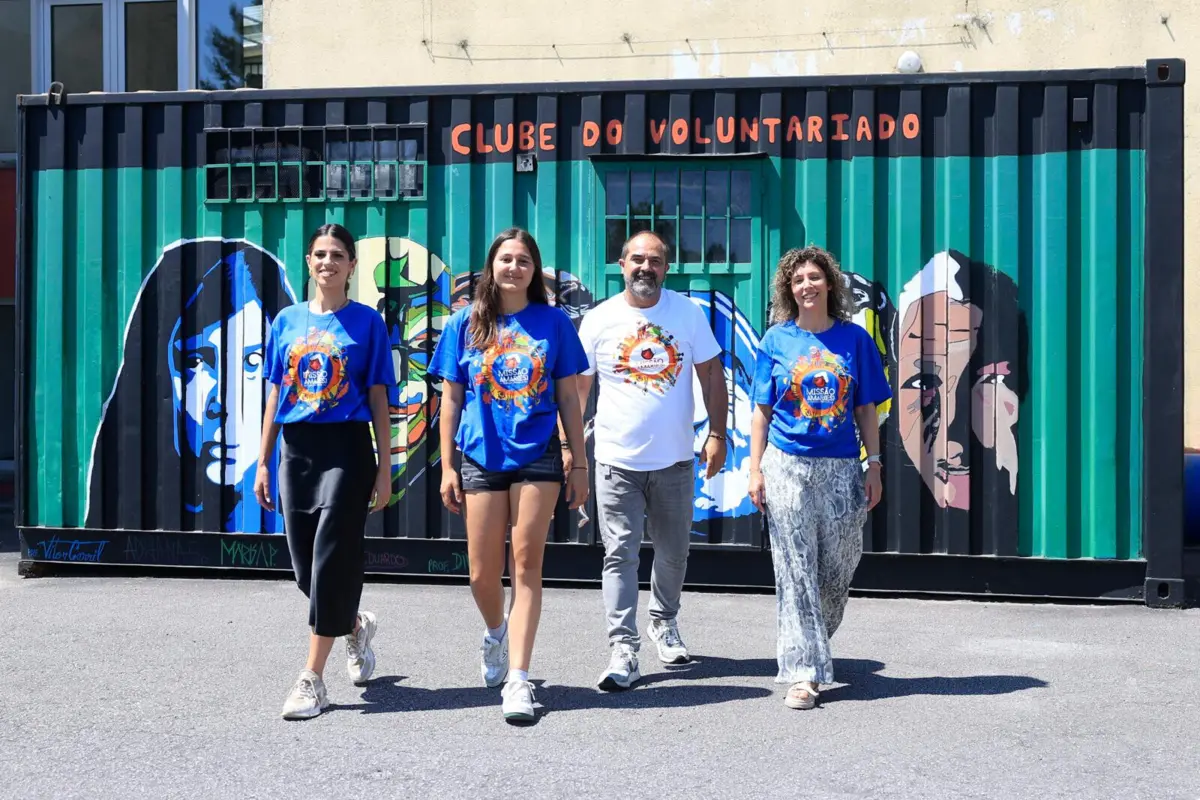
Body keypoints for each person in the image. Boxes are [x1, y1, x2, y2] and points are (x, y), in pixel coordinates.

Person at [429, 227, 590, 723]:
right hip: (480, 456)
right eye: (506, 259)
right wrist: (448, 465)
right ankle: (496, 632)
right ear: (491, 267)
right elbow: (451, 398)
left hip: (537, 455)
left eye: (523, 260)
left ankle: (519, 680)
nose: (514, 268)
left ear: (532, 270)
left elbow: (568, 396)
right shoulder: (465, 323)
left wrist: (577, 460)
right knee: (481, 573)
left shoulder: (554, 323)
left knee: (525, 565)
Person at [254, 223, 397, 720]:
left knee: (332, 557)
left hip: (347, 447)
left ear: (352, 265)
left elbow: (379, 395)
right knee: (304, 568)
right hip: (297, 449)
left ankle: (312, 678)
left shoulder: (367, 324)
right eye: (320, 254)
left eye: (338, 255)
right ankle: (354, 624)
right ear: (309, 262)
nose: (328, 262)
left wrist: (385, 467)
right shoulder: (287, 322)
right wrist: (264, 459)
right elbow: (276, 393)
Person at [575, 230, 729, 691]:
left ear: (666, 267)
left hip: (675, 461)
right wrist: (569, 447)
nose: (646, 267)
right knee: (618, 554)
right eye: (637, 259)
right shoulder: (599, 319)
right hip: (616, 461)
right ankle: (623, 648)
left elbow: (711, 374)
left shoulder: (687, 314)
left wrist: (717, 433)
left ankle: (664, 621)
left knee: (674, 553)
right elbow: (579, 389)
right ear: (621, 265)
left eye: (656, 260)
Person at [747, 246, 891, 710]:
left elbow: (866, 407)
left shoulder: (854, 340)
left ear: (830, 283)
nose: (805, 285)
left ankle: (814, 639)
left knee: (838, 568)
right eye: (796, 280)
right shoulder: (775, 341)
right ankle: (803, 672)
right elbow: (761, 411)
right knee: (795, 572)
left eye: (813, 277)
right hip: (787, 465)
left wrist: (875, 463)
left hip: (843, 466)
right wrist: (755, 469)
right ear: (788, 291)